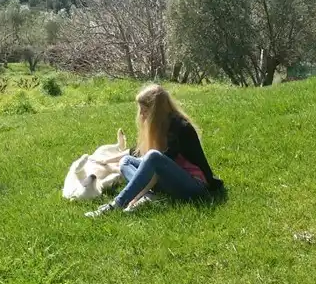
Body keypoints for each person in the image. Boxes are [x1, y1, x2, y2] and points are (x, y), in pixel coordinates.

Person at [85, 83, 223, 217]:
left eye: (145, 111)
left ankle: (116, 204)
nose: (142, 116)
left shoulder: (180, 127)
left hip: (195, 186)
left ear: (157, 111)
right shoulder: (160, 125)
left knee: (152, 156)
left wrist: (134, 198)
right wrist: (105, 160)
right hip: (172, 181)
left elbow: (156, 165)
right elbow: (136, 151)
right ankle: (150, 195)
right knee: (126, 161)